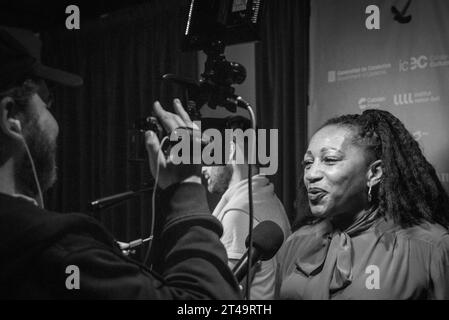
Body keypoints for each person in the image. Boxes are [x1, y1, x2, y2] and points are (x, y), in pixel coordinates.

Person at [0, 28, 241, 299]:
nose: (55, 123)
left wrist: (106, 261)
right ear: (11, 117)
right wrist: (187, 188)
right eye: (46, 104)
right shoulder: (52, 251)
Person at [276, 109, 449, 299]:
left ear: (374, 173)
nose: (311, 174)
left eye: (330, 160)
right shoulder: (295, 242)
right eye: (308, 163)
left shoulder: (430, 247)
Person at [202, 116, 291, 300]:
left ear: (231, 149)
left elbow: (220, 298)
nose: (202, 168)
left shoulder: (239, 214)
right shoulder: (266, 198)